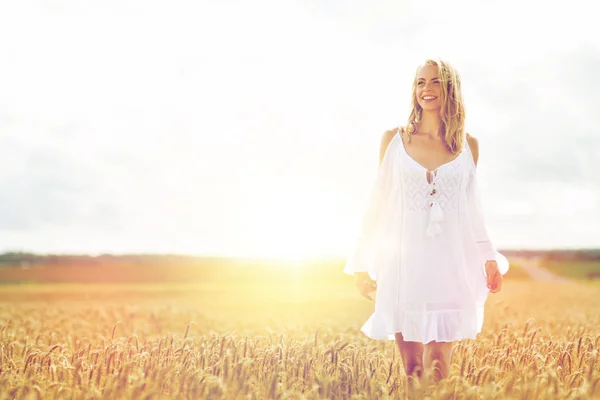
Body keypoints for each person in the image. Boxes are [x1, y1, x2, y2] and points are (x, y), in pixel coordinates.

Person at [343, 59, 509, 386]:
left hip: (450, 266)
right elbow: (378, 202)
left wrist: (489, 257)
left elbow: (472, 208)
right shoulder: (393, 140)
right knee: (413, 370)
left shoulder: (467, 146)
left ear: (451, 89)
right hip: (403, 267)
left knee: (439, 368)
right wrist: (361, 264)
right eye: (420, 82)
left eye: (435, 82)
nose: (426, 90)